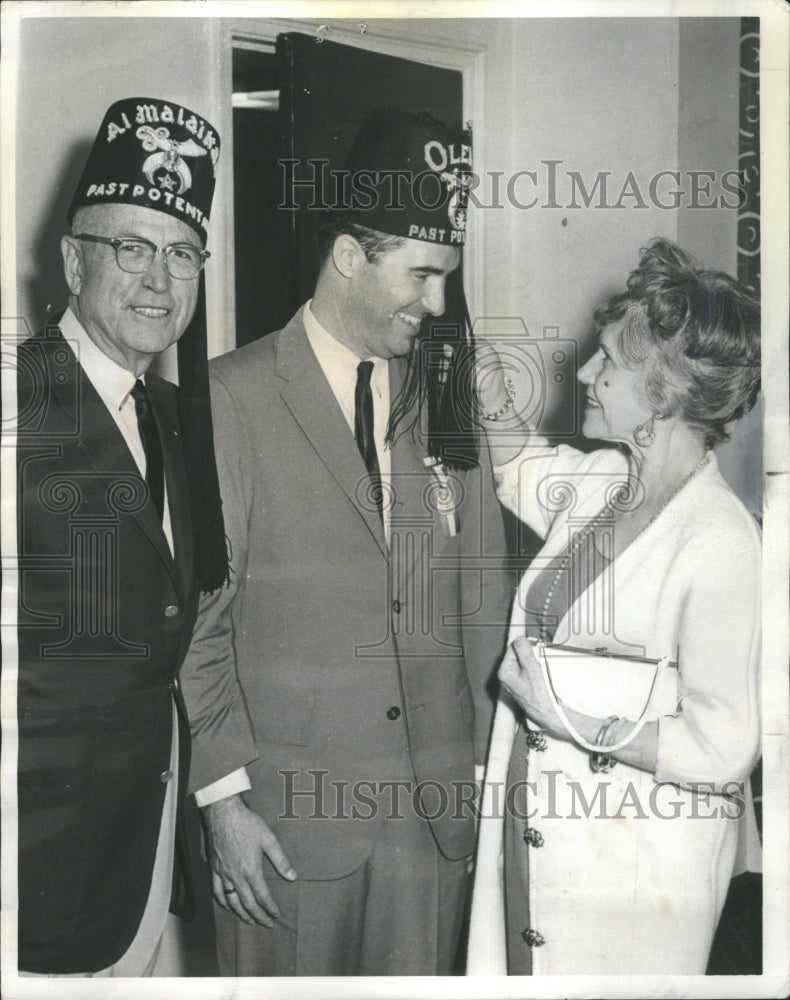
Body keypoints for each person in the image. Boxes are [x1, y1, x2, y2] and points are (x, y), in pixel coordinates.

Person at [178, 108, 511, 976]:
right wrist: (223, 804)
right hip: (284, 831)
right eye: (423, 275)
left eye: (447, 278)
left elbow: (483, 603)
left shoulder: (445, 399)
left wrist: (477, 782)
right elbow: (200, 622)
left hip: (433, 826)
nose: (438, 303)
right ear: (351, 255)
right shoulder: (227, 400)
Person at [467, 238, 762, 975]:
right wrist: (486, 389)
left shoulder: (723, 540)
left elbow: (724, 745)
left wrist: (568, 717)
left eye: (609, 363)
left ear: (661, 393)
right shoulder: (605, 482)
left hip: (637, 881)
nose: (587, 373)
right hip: (540, 845)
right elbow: (520, 464)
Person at [15, 96, 227, 976]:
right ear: (72, 259)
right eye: (130, 248)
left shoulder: (178, 419)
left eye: (181, 254)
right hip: (30, 884)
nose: (158, 282)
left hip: (142, 861)